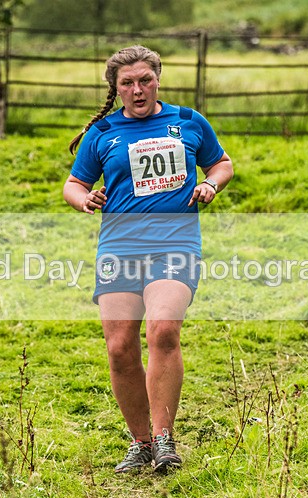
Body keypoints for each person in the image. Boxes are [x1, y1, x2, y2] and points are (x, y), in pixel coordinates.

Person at [63, 45, 233, 474]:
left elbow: (222, 164)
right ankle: (139, 443)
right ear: (115, 88)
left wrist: (211, 185)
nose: (137, 90)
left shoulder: (188, 121)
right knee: (120, 348)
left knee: (163, 331)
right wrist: (85, 199)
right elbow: (74, 183)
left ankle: (164, 440)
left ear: (158, 79)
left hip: (175, 243)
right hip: (119, 249)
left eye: (145, 80)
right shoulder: (102, 133)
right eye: (127, 83)